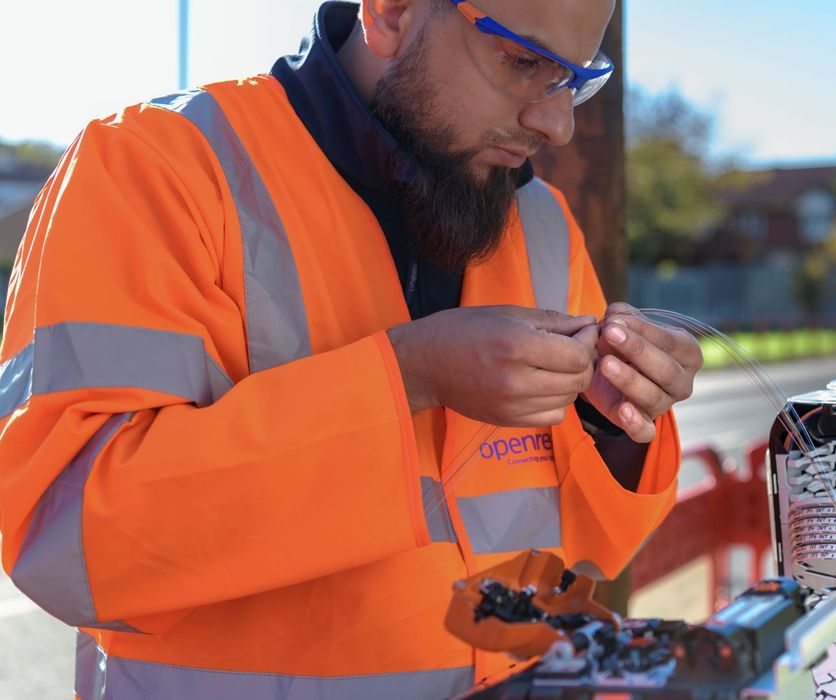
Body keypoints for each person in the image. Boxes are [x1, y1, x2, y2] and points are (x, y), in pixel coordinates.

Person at [0, 0, 702, 697]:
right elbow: (73, 545)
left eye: (577, 80)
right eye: (523, 62)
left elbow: (571, 550)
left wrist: (612, 423)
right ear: (392, 14)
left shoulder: (540, 218)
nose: (556, 123)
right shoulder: (155, 167)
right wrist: (405, 380)